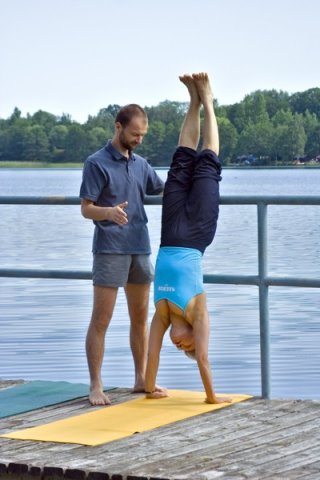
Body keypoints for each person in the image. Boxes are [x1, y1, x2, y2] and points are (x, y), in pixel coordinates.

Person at [145, 73, 232, 404]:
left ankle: (192, 100)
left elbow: (152, 354)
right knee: (208, 162)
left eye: (179, 348)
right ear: (198, 337)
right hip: (197, 233)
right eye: (189, 348)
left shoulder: (164, 314)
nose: (180, 345)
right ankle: (208, 100)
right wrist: (212, 397)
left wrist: (151, 387)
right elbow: (206, 361)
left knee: (181, 161)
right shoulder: (198, 313)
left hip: (169, 233)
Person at [79, 103, 164, 405]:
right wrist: (109, 213)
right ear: (118, 127)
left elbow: (162, 189)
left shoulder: (141, 163)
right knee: (101, 320)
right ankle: (95, 385)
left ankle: (141, 380)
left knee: (141, 319)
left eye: (142, 135)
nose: (139, 139)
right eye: (134, 134)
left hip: (139, 247)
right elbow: (86, 208)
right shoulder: (96, 163)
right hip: (109, 249)